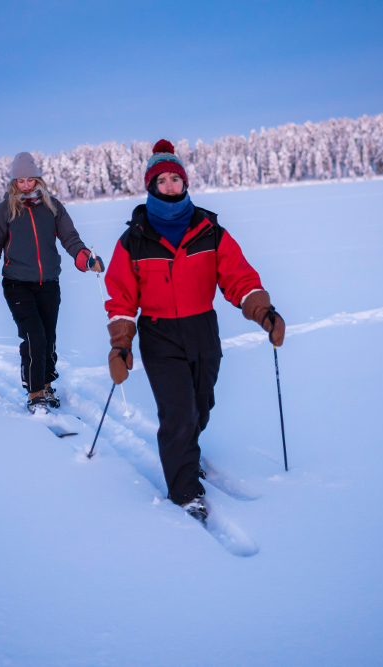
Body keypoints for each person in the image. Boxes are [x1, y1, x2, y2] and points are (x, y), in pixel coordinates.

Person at [103, 140, 285, 524]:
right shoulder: (133, 239)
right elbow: (121, 297)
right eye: (162, 180)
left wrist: (263, 312)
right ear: (151, 187)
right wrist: (121, 346)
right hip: (158, 334)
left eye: (176, 179)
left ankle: (187, 450)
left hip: (203, 328)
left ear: (185, 183)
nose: (170, 186)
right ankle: (185, 490)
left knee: (202, 404)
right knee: (178, 412)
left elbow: (238, 277)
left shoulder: (209, 230)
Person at [0, 152, 104, 414]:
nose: (26, 185)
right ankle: (35, 393)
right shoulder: (4, 212)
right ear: (14, 182)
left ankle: (46, 385)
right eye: (20, 181)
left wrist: (85, 259)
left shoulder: (53, 207)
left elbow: (70, 238)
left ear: (38, 180)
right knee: (34, 336)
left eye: (30, 180)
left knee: (48, 337)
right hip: (17, 284)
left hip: (49, 282)